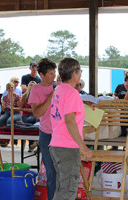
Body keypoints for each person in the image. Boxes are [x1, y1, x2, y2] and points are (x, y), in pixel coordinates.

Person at [49, 58, 92, 200]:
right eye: (80, 71)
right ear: (74, 73)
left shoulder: (59, 90)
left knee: (62, 188)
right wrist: (83, 147)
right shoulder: (72, 93)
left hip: (56, 144)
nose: (80, 74)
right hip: (67, 147)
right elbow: (69, 121)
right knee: (67, 191)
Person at [28, 58, 57, 200]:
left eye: (54, 73)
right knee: (52, 172)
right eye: (51, 73)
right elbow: (37, 113)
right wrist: (51, 96)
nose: (54, 76)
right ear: (42, 74)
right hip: (47, 134)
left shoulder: (60, 86)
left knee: (65, 172)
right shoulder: (36, 90)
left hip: (62, 134)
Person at [0, 82, 22, 147]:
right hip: (8, 112)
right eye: (9, 88)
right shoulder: (5, 97)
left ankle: (12, 141)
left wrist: (13, 108)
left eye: (11, 88)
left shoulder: (17, 96)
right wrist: (4, 107)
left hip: (16, 112)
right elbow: (4, 109)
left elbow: (20, 108)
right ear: (7, 89)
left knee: (9, 121)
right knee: (1, 120)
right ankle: (1, 141)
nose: (10, 89)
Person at [20, 81, 38, 152]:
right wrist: (27, 110)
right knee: (28, 121)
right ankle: (31, 144)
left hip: (33, 115)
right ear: (28, 87)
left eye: (33, 85)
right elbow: (20, 108)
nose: (32, 87)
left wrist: (31, 110)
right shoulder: (25, 96)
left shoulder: (37, 96)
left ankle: (32, 144)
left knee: (32, 120)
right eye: (30, 85)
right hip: (25, 115)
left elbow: (36, 109)